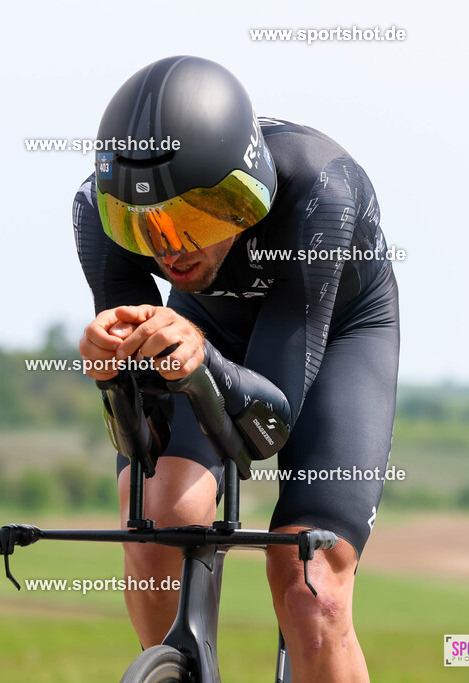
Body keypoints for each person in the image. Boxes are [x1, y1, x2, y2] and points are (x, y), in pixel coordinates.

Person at [73, 55, 399, 682]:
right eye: (144, 227)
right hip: (206, 329)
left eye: (192, 218)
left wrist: (202, 358)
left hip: (337, 333)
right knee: (156, 527)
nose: (169, 249)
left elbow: (266, 431)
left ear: (243, 196)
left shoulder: (321, 191)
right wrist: (115, 378)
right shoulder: (99, 210)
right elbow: (145, 437)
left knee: (311, 585)